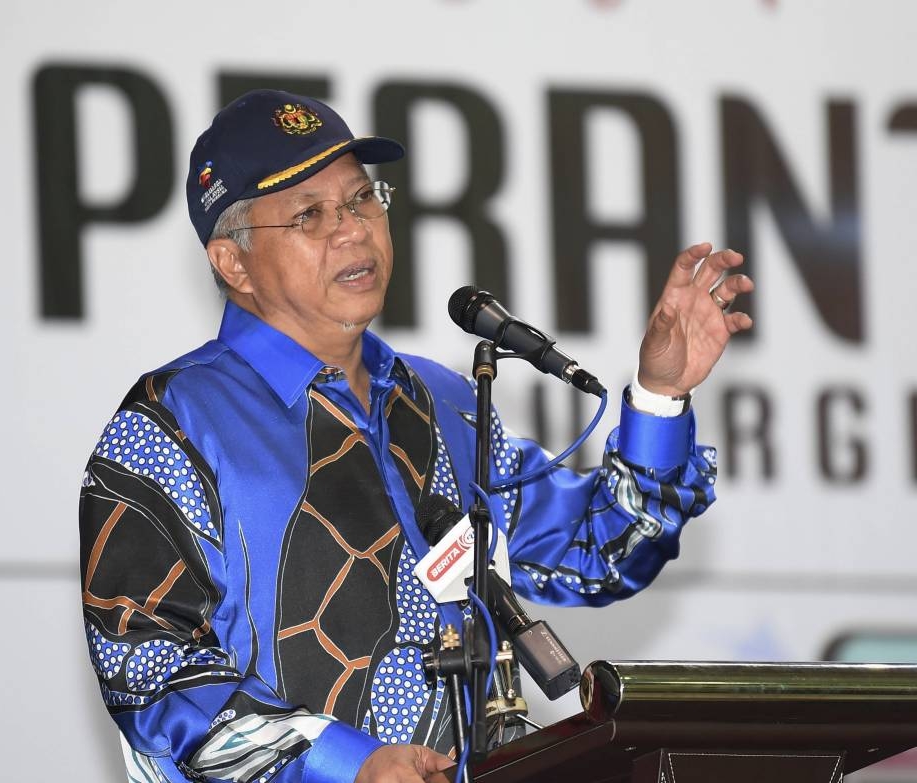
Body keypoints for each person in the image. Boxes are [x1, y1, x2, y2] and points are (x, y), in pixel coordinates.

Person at [79, 89, 753, 783]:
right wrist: (344, 762)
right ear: (234, 264)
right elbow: (150, 671)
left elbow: (599, 552)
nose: (353, 230)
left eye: (362, 199)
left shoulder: (443, 402)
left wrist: (660, 395)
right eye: (310, 214)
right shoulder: (171, 424)